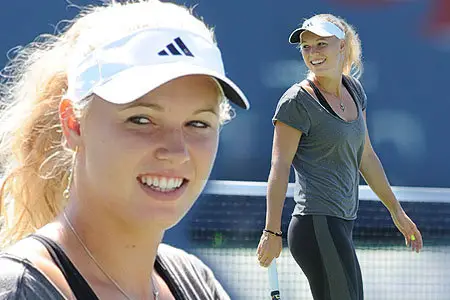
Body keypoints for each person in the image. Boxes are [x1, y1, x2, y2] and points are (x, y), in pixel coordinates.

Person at [0, 1, 250, 299]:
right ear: (73, 125)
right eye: (141, 120)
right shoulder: (19, 290)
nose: (176, 151)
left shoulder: (196, 281)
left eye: (197, 123)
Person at [256, 14, 423, 300]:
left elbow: (366, 157)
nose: (313, 53)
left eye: (322, 44)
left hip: (342, 225)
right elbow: (279, 166)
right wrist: (272, 232)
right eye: (307, 47)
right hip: (315, 225)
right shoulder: (297, 102)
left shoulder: (354, 90)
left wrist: (396, 211)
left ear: (342, 47)